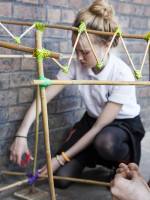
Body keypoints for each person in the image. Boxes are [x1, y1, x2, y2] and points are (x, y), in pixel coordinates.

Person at [10, 0, 145, 188]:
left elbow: (100, 127)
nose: (78, 57)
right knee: (61, 179)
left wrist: (60, 158)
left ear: (106, 46)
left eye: (85, 52)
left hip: (120, 129)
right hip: (91, 123)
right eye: (75, 49)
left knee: (104, 142)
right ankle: (88, 156)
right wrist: (21, 135)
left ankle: (119, 165)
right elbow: (45, 97)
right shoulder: (76, 64)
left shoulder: (122, 74)